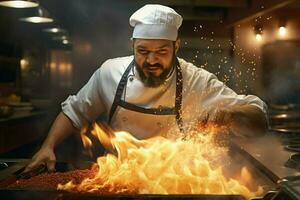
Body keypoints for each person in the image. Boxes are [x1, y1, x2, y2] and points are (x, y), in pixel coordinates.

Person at [26, 4, 268, 172]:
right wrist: (48, 146)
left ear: (176, 46)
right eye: (143, 51)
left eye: (162, 52)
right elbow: (75, 112)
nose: (151, 60)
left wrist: (233, 114)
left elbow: (258, 117)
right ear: (132, 45)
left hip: (173, 181)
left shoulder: (197, 80)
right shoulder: (109, 73)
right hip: (118, 177)